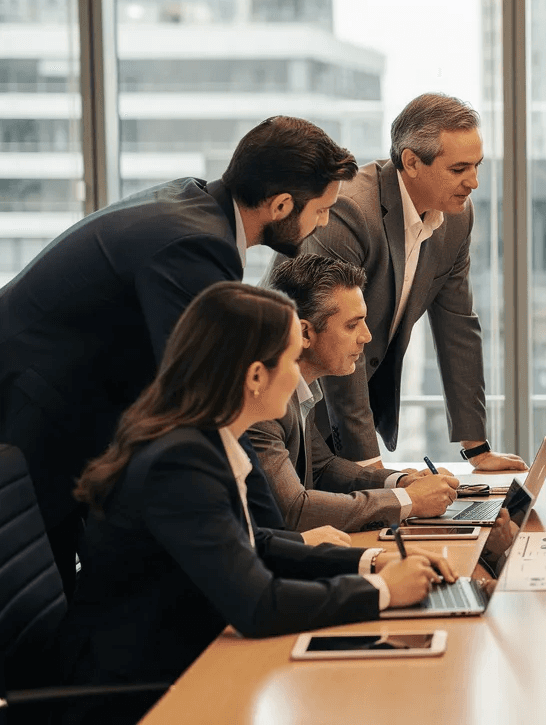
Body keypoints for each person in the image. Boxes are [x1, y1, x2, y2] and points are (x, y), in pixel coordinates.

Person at [59, 283, 454, 723]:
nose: (297, 373)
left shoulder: (202, 439)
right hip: (138, 692)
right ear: (254, 377)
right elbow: (258, 605)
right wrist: (382, 591)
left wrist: (371, 561)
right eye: (289, 358)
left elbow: (256, 542)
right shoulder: (180, 461)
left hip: (186, 656)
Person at [0, 116, 358, 593]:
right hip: (39, 414)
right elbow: (214, 401)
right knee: (40, 598)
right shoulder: (197, 243)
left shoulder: (199, 207)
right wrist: (283, 539)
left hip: (65, 406)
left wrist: (271, 543)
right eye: (322, 209)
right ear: (280, 205)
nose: (325, 222)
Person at [294, 93, 526, 473]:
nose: (474, 182)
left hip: (351, 399)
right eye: (459, 169)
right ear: (412, 162)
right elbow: (332, 332)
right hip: (295, 403)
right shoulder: (350, 211)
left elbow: (458, 327)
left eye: (478, 166)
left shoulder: (456, 218)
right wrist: (373, 471)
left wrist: (477, 449)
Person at [248, 254, 461, 532]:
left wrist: (400, 481)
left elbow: (323, 467)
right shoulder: (261, 399)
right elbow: (295, 511)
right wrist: (406, 500)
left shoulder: (300, 387)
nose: (366, 336)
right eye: (352, 324)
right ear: (305, 333)